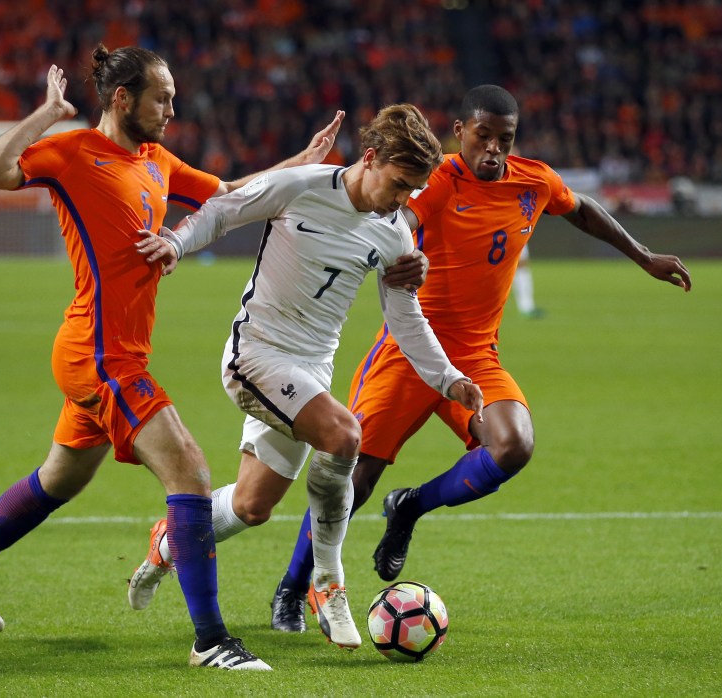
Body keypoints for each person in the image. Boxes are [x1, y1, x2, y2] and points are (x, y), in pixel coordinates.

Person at [0, 44, 346, 672]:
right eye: (162, 98)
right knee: (193, 474)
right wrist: (48, 114)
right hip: (99, 354)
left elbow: (229, 194)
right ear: (123, 99)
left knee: (58, 480)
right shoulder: (71, 154)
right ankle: (211, 642)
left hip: (113, 351)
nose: (172, 109)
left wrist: (298, 165)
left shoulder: (156, 159)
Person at [251, 84, 689, 631]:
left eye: (504, 139)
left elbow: (582, 210)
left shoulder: (534, 180)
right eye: (483, 136)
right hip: (409, 351)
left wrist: (643, 256)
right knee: (354, 478)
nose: (493, 149)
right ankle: (293, 589)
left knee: (513, 445)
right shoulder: (436, 181)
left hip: (476, 356)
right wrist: (403, 257)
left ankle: (410, 507)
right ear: (460, 132)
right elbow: (398, 223)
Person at [129, 103, 485, 649]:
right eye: (398, 184)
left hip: (311, 372)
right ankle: (327, 581)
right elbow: (223, 210)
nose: (404, 200)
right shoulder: (301, 187)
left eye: (414, 190)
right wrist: (175, 242)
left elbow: (404, 317)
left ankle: (169, 542)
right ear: (370, 159)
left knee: (252, 506)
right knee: (345, 435)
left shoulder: (394, 235)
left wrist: (449, 378)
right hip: (257, 355)